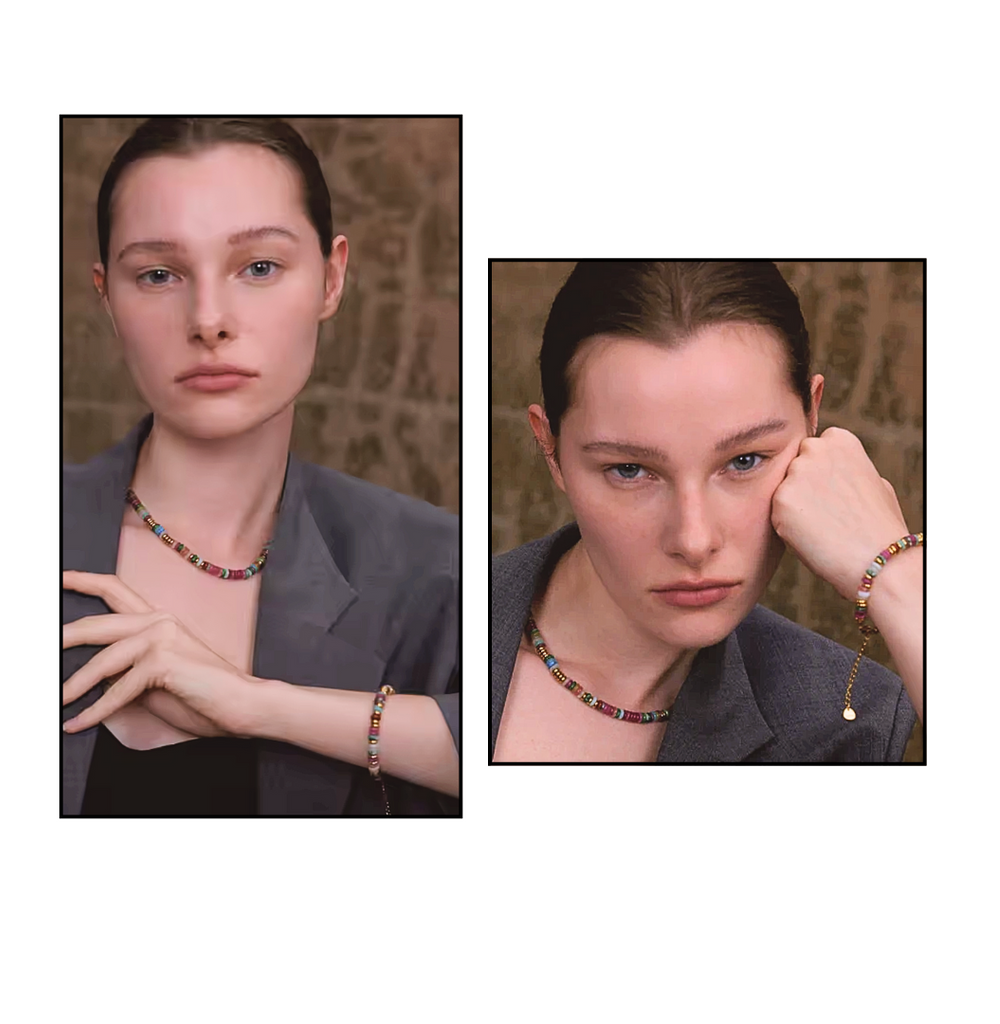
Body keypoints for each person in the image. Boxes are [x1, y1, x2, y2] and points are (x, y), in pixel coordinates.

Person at [62, 117, 459, 814]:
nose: (209, 319)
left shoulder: (436, 569)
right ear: (107, 297)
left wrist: (258, 706)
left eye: (259, 268)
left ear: (332, 280)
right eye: (158, 274)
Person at [491, 261, 922, 763]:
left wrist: (900, 578)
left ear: (811, 418)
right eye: (629, 470)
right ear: (550, 448)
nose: (694, 540)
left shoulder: (846, 720)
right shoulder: (432, 627)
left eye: (744, 461)